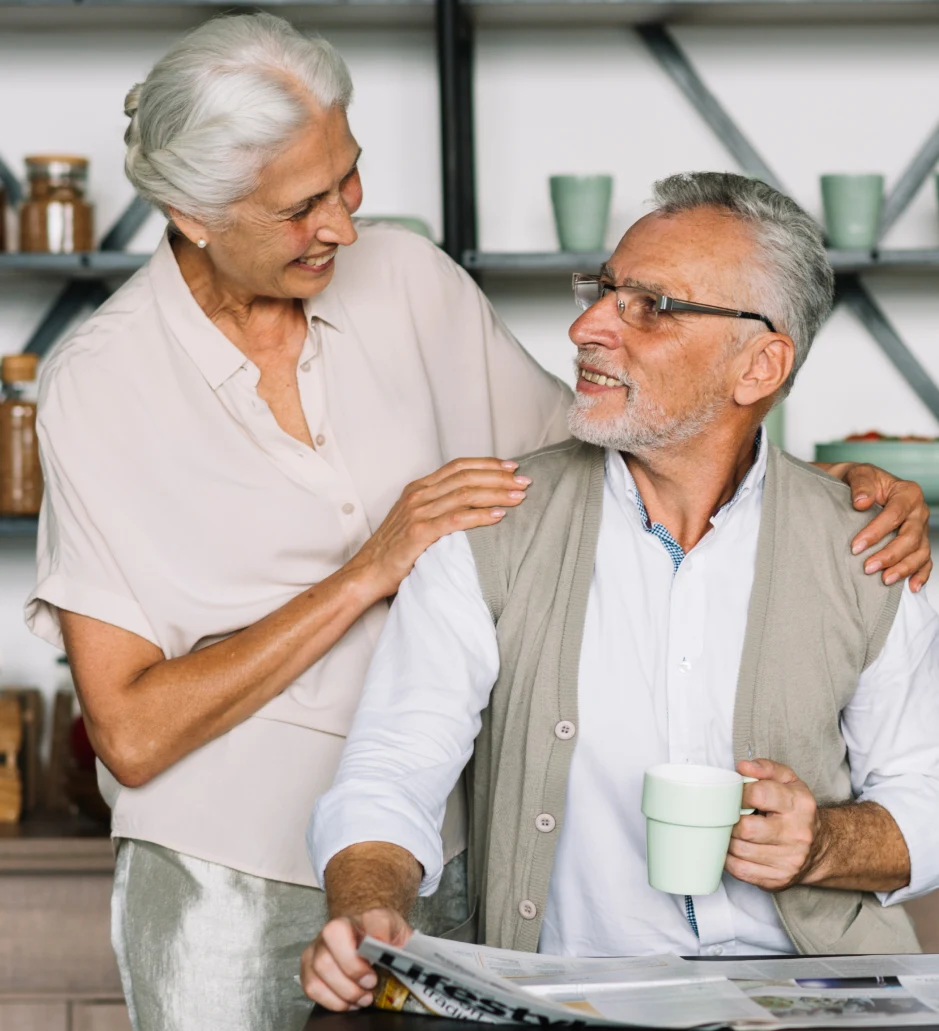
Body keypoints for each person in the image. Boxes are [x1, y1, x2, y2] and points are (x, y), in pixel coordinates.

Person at [303, 173, 939, 1011]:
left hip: (814, 994)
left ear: (759, 364)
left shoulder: (864, 542)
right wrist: (365, 904)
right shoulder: (485, 527)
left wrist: (819, 841)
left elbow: (926, 791)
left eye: (651, 305)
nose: (584, 328)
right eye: (602, 291)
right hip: (572, 997)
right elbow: (391, 767)